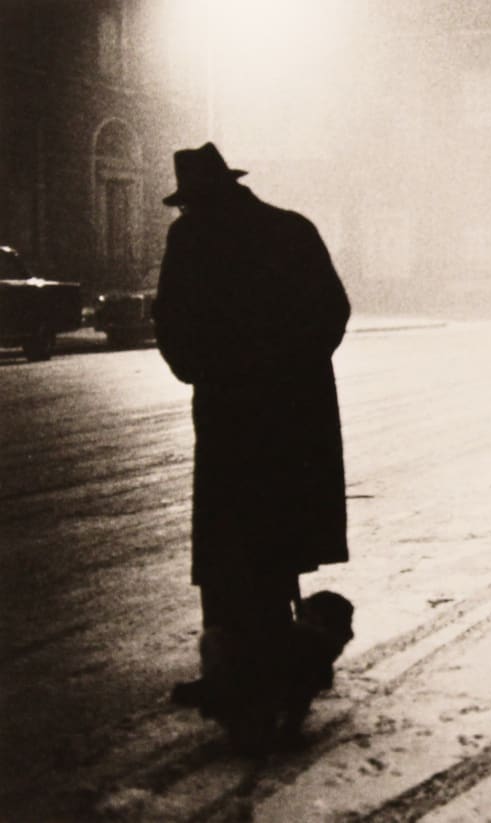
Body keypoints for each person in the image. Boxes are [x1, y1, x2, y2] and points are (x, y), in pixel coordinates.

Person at [153, 143, 352, 717]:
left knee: (226, 536)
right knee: (277, 532)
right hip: (292, 410)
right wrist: (295, 368)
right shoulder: (291, 231)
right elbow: (331, 310)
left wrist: (203, 370)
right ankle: (276, 655)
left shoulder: (190, 241)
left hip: (228, 408)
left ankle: (232, 664)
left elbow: (171, 322)